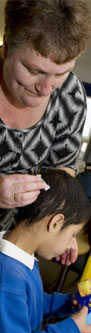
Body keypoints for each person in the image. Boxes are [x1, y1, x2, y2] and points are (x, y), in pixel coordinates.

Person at [0, 0, 90, 265]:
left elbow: (61, 176)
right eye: (33, 70)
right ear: (6, 45)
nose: (46, 89)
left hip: (16, 249)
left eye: (61, 73)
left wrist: (64, 229)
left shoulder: (69, 94)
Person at [0, 168, 91, 333]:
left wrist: (65, 304)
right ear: (55, 222)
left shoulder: (21, 257)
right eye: (72, 234)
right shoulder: (7, 282)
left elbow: (31, 304)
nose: (72, 245)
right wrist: (72, 330)